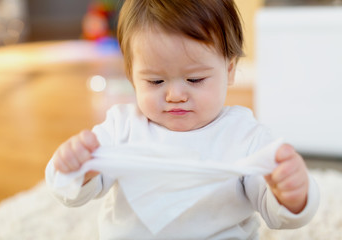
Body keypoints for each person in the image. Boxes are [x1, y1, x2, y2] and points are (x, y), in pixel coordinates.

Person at [45, 0, 319, 239]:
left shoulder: (244, 135)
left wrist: (291, 195)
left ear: (230, 70)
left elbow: (278, 215)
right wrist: (75, 168)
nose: (175, 95)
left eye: (195, 79)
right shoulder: (120, 128)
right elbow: (72, 193)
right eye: (155, 81)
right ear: (132, 76)